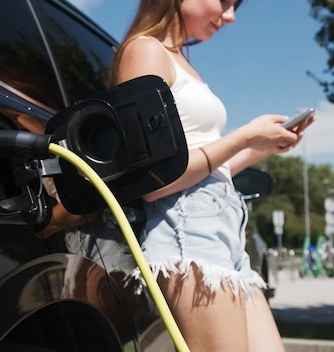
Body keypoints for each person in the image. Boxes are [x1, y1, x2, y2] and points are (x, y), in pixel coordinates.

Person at [109, 0, 314, 351]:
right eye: (225, 1)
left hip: (225, 231)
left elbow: (205, 170)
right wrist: (245, 136)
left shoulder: (180, 60)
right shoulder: (145, 51)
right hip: (189, 230)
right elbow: (155, 182)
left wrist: (261, 147)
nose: (231, 16)